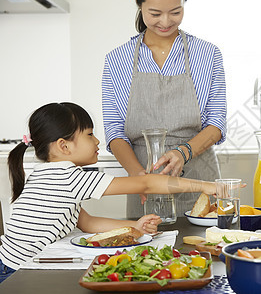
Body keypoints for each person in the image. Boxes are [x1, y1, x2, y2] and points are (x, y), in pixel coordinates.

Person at [0, 102, 217, 283]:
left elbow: (86, 223)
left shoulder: (47, 174)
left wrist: (135, 226)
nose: (97, 141)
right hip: (17, 274)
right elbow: (146, 184)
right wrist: (206, 186)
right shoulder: (68, 178)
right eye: (89, 134)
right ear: (64, 146)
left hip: (11, 266)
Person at [102, 0, 226, 218]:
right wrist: (138, 176)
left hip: (198, 178)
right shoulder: (117, 60)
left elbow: (216, 124)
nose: (166, 21)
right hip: (144, 181)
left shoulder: (208, 54)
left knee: (204, 249)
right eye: (155, 14)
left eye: (176, 12)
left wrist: (183, 153)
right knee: (146, 251)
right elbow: (114, 130)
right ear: (139, 4)